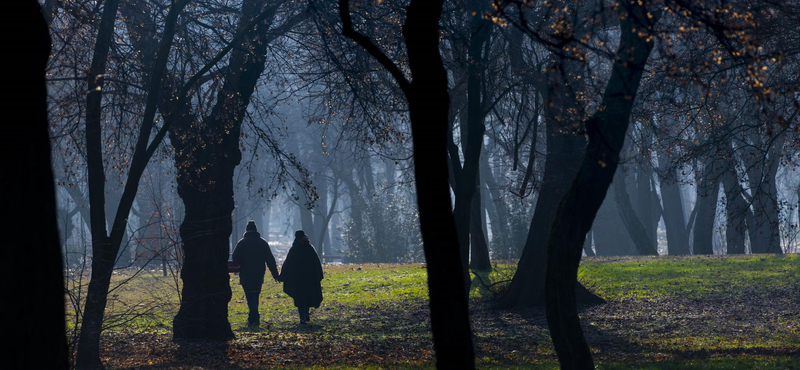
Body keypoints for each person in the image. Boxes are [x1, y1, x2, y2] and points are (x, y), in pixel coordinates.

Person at [232, 220, 280, 327]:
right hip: (259, 274)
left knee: (250, 297)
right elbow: (270, 260)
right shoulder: (263, 243)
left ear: (246, 230)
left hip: (246, 274)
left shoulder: (242, 243)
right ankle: (253, 319)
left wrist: (241, 261)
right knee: (255, 296)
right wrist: (275, 275)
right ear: (256, 230)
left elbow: (235, 258)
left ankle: (254, 318)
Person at [280, 230, 324, 324]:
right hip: (309, 278)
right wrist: (318, 276)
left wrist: (282, 276)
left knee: (300, 299)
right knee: (307, 297)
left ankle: (302, 318)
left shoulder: (294, 249)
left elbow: (287, 264)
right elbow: (317, 264)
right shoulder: (310, 248)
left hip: (297, 279)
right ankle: (306, 314)